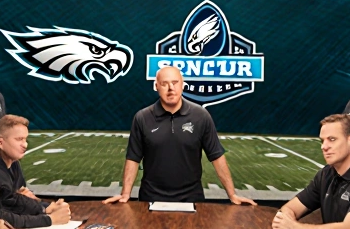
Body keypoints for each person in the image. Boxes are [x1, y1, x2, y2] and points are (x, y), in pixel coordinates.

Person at [103, 66, 255, 205]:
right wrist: (125, 194)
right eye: (164, 83)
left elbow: (216, 156)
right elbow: (133, 158)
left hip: (192, 199)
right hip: (150, 200)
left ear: (183, 85)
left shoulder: (201, 116)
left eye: (175, 82)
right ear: (156, 86)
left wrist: (232, 194)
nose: (171, 88)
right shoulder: (142, 118)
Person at [0, 114, 69, 218]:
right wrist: (46, 208)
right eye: (19, 139)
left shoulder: (14, 164)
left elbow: (22, 197)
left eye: (25, 139)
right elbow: (10, 202)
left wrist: (47, 205)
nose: (25, 145)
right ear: (0, 142)